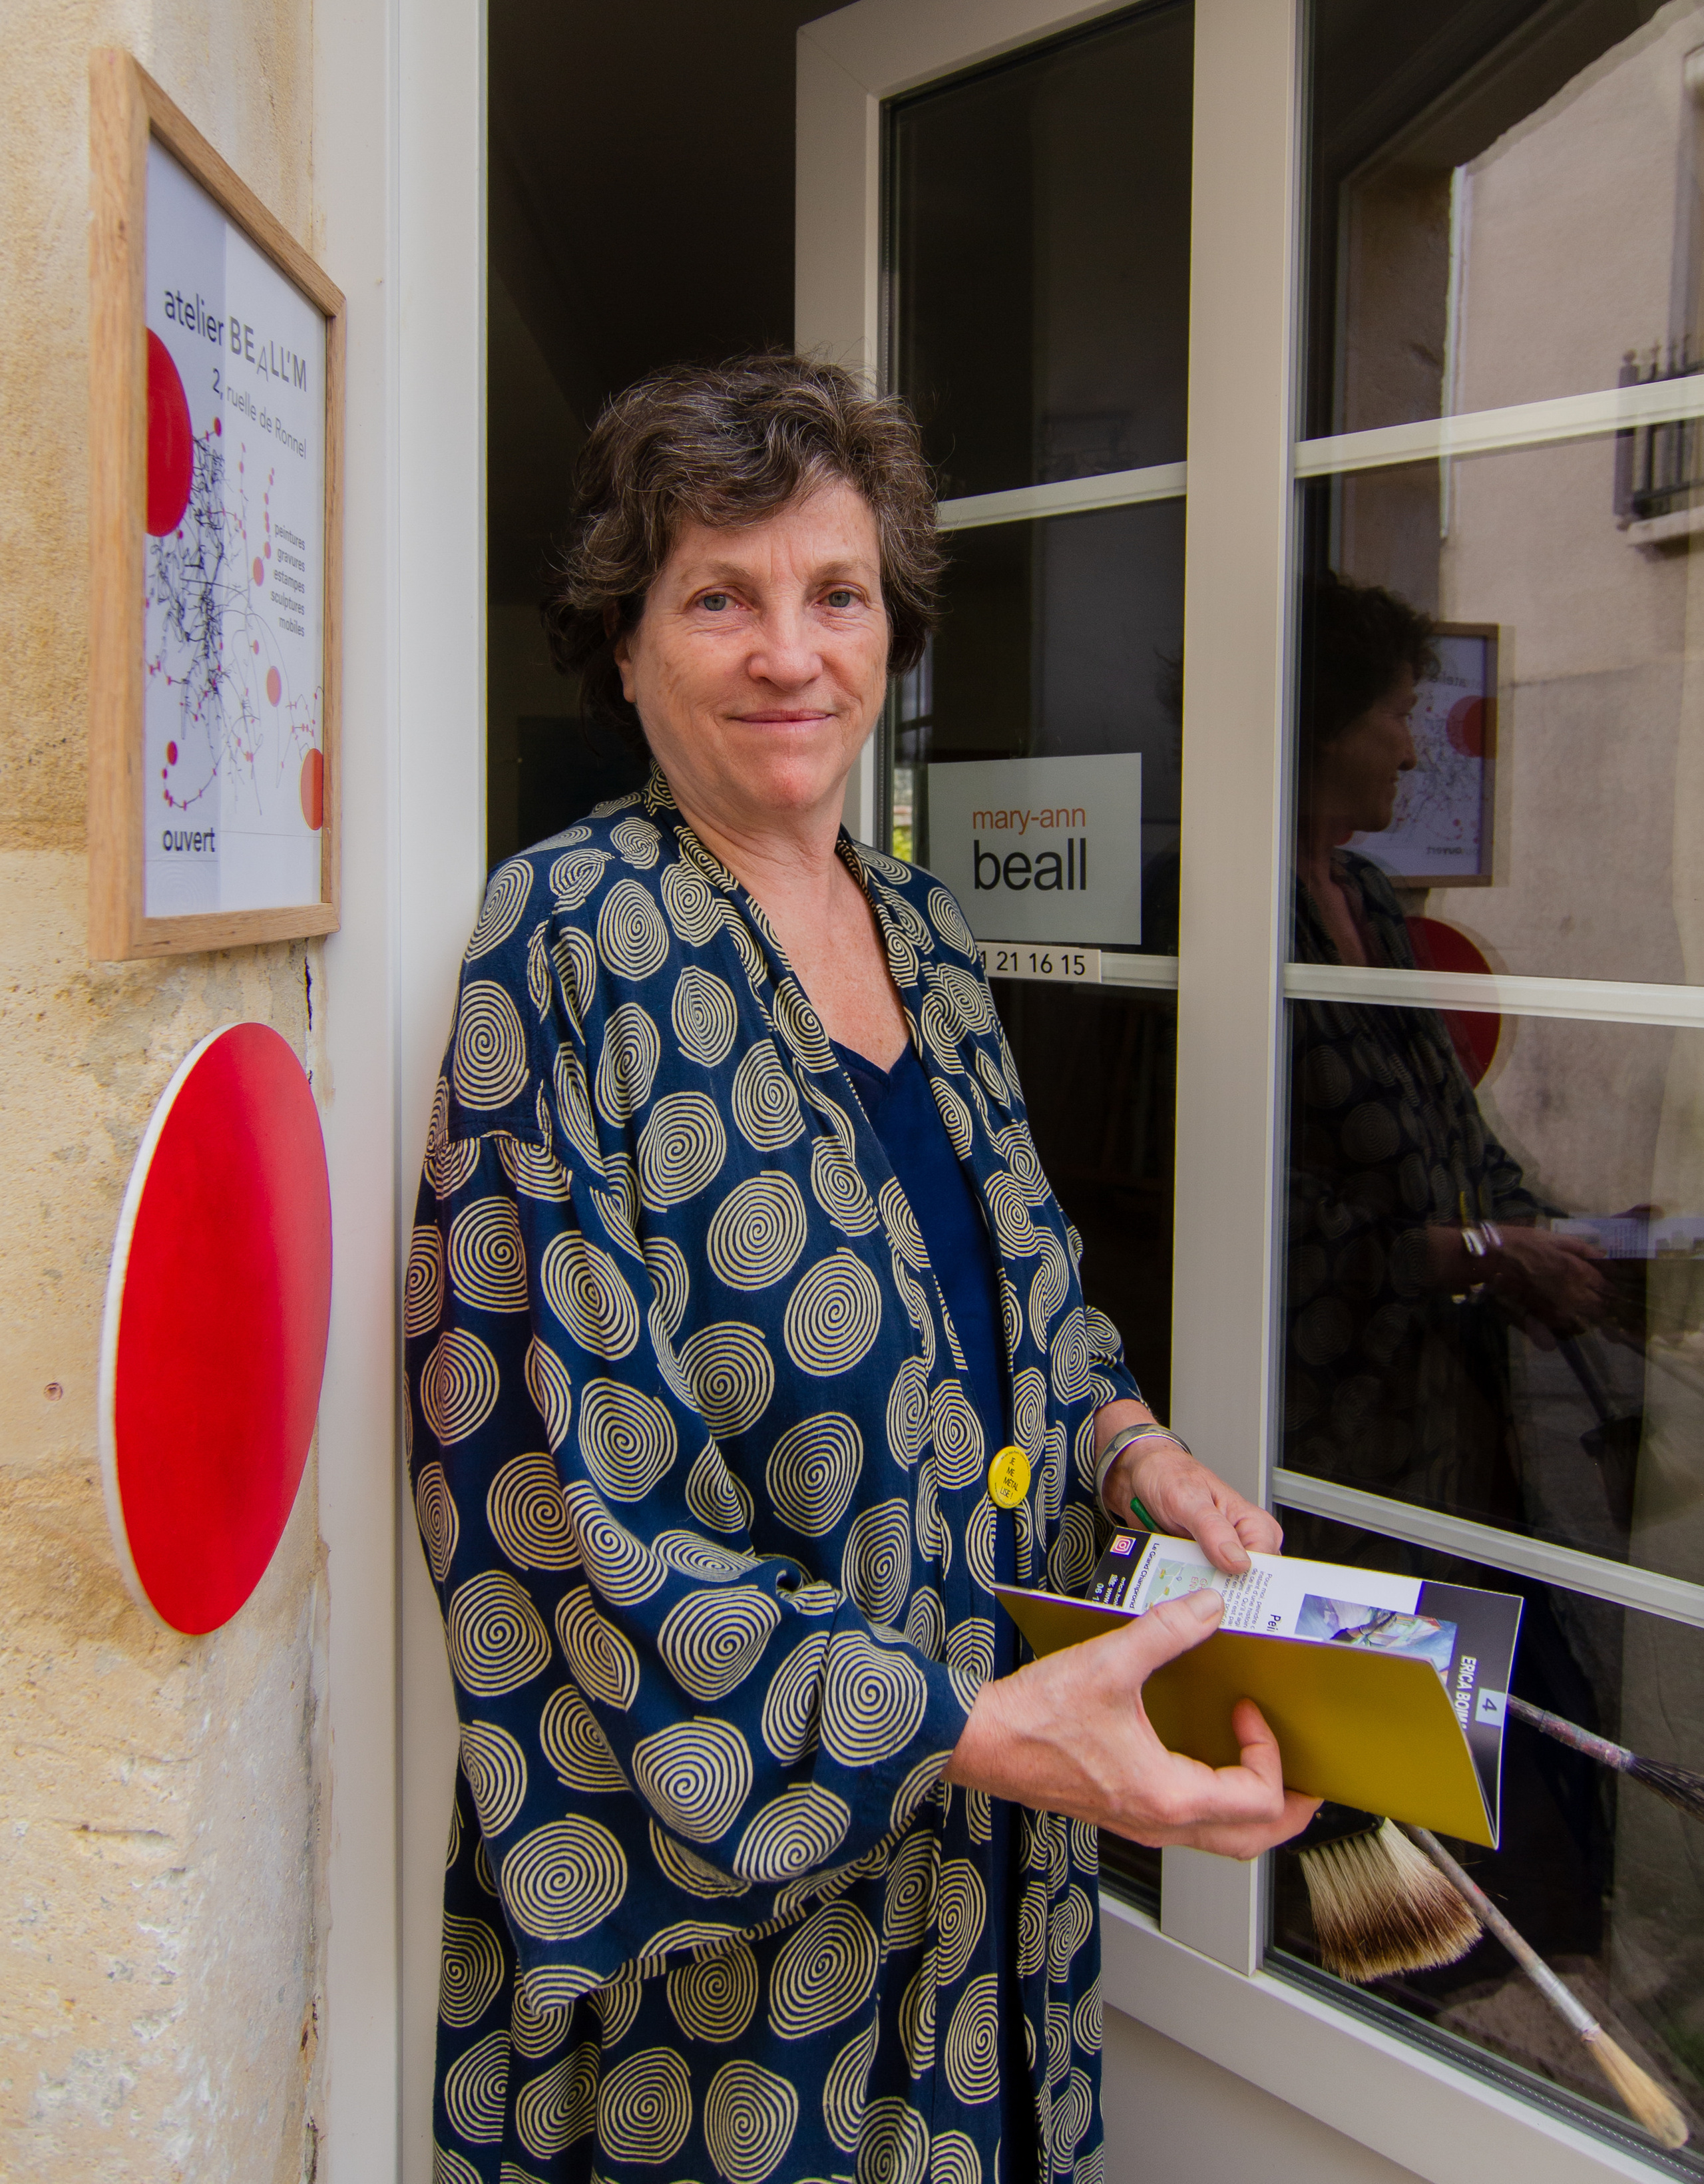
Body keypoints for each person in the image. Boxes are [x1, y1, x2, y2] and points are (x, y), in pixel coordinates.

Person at [408, 356, 1314, 2184]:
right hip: (744, 1959)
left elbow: (1024, 1285)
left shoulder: (922, 926)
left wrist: (1136, 1447)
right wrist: (975, 1729)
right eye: (717, 598)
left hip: (994, 1885)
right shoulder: (569, 942)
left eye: (833, 594)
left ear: (890, 622)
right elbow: (567, 1509)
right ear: (630, 639)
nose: (787, 654)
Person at [1285, 570, 1609, 1516]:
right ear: (1327, 724)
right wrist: (1482, 1252)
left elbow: (1450, 1125)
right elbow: (1247, 1213)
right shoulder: (1212, 914)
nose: (1416, 753)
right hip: (1311, 1432)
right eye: (1398, 715)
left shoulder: (1373, 899)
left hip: (1431, 1417)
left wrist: (1549, 1240)